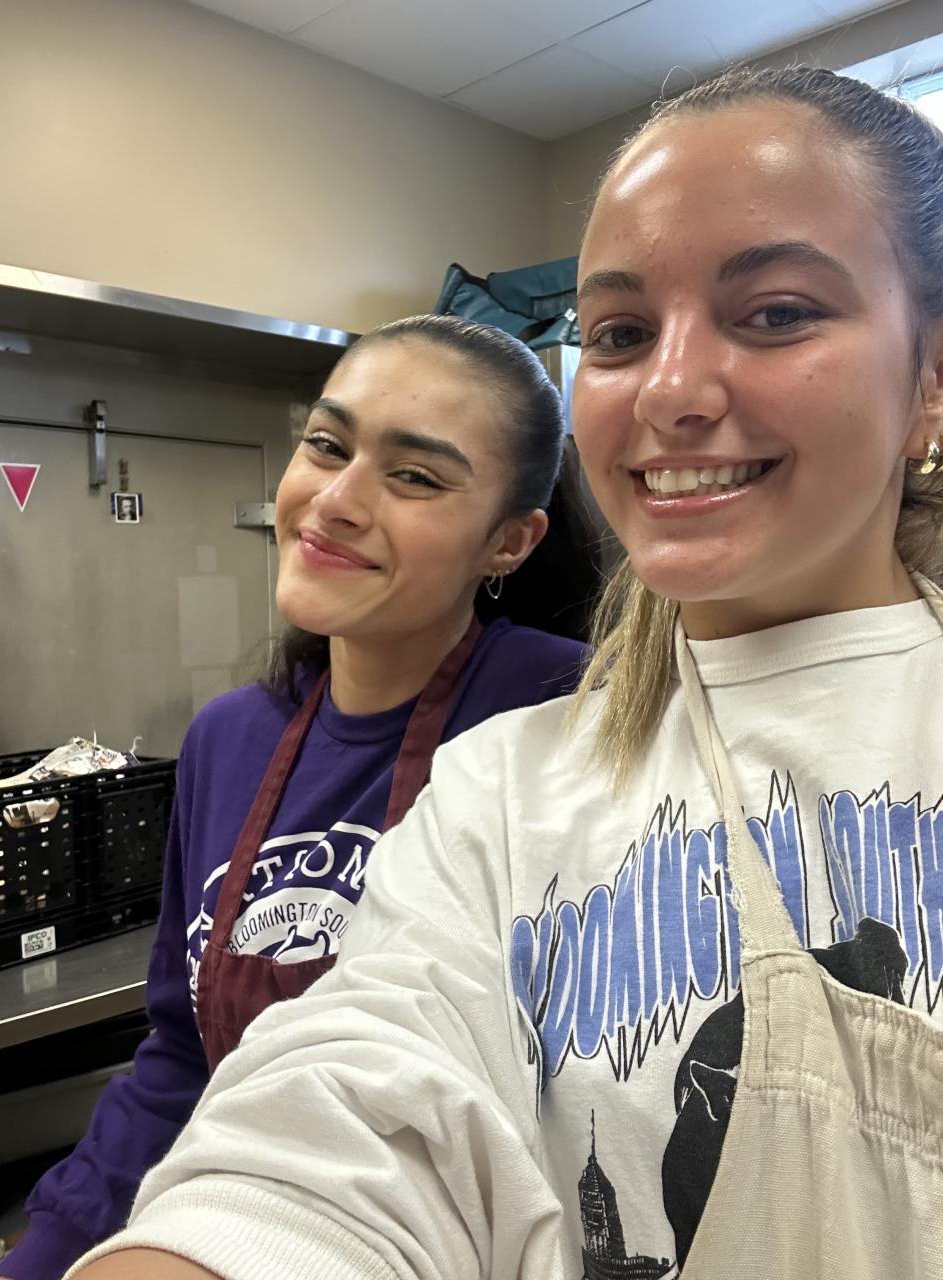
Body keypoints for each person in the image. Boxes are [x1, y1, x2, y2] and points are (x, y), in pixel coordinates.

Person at [67, 64, 943, 1280]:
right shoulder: (504, 787)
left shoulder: (524, 690)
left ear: (931, 378)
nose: (671, 389)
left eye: (778, 311)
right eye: (621, 333)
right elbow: (343, 1119)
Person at [0, 314, 601, 1280]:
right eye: (326, 445)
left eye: (415, 476)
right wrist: (48, 1251)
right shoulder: (227, 738)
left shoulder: (568, 709)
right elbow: (184, 1059)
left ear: (510, 541)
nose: (337, 500)